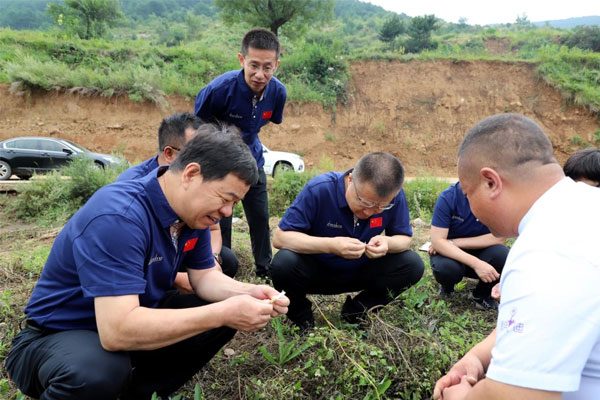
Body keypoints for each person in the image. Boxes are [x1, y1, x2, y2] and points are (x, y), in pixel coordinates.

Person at [6, 124, 289, 400]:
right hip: (56, 336)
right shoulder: (120, 216)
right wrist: (224, 312)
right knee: (98, 370)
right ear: (191, 174)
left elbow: (204, 277)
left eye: (234, 204)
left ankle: (139, 393)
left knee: (218, 313)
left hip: (131, 316)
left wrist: (247, 293)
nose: (227, 212)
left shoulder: (191, 216)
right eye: (226, 198)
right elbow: (116, 331)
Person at [433, 113, 600, 400]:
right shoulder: (581, 211)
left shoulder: (546, 250)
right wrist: (477, 357)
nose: (471, 209)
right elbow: (551, 325)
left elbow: (514, 395)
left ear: (490, 182)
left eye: (469, 194)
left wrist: (460, 397)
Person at [269, 152, 425, 330]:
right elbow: (280, 237)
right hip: (318, 271)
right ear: (350, 180)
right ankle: (301, 321)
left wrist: (387, 243)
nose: (369, 212)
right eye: (364, 202)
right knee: (283, 263)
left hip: (361, 271)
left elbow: (404, 239)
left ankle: (358, 312)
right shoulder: (320, 189)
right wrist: (330, 245)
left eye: (380, 207)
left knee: (413, 264)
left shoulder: (393, 197)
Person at [194, 28, 286, 278]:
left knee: (259, 216)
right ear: (241, 59)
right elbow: (195, 125)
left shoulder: (278, 92)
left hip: (253, 161)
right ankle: (222, 267)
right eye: (254, 65)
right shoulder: (219, 89)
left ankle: (265, 270)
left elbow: (265, 121)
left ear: (276, 64)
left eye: (267, 67)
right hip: (220, 165)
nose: (260, 74)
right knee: (220, 217)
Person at [117, 112, 239, 290]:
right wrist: (178, 278)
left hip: (179, 252)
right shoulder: (131, 190)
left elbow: (213, 229)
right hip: (145, 261)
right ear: (169, 154)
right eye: (197, 154)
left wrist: (211, 260)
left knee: (226, 260)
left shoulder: (198, 184)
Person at [428, 181, 508, 311]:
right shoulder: (448, 197)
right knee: (447, 269)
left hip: (480, 250)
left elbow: (499, 238)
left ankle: (481, 295)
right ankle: (447, 287)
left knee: (502, 255)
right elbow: (437, 242)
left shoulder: (497, 197)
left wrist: (454, 242)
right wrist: (476, 263)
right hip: (450, 254)